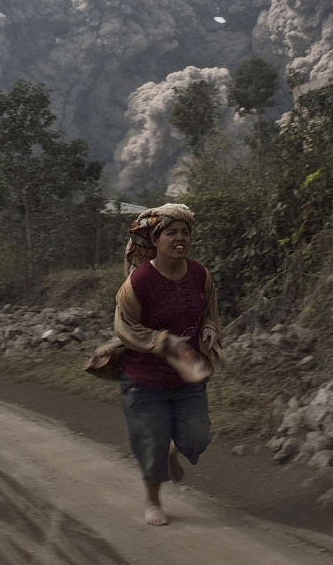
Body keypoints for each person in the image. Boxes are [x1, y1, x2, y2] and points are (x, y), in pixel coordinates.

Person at [88, 203, 223, 526]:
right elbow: (125, 328)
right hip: (143, 380)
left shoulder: (200, 275)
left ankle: (171, 450)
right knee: (151, 442)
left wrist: (209, 329)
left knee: (198, 436)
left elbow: (211, 312)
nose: (180, 239)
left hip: (187, 379)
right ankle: (152, 502)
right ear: (156, 239)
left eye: (185, 233)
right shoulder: (139, 281)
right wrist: (163, 343)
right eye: (171, 233)